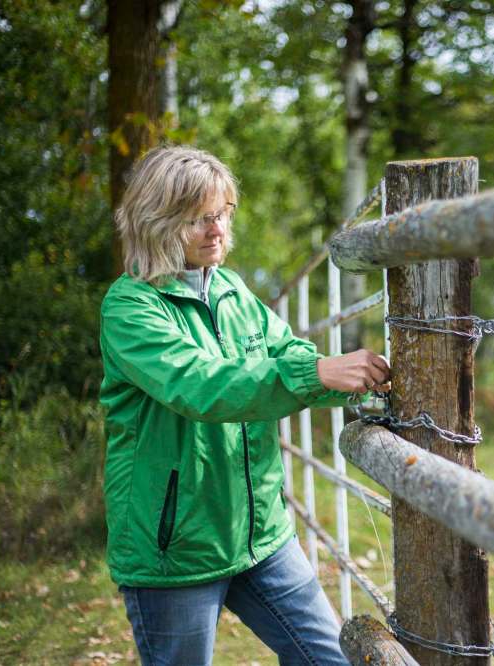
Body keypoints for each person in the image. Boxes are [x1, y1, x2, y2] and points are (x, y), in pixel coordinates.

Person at [99, 145, 390, 665]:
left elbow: (288, 356)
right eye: (199, 219)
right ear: (156, 221)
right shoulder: (130, 308)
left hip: (262, 537)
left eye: (223, 214)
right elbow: (201, 385)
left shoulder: (232, 289)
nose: (218, 231)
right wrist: (315, 371)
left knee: (330, 659)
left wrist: (354, 378)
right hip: (177, 550)